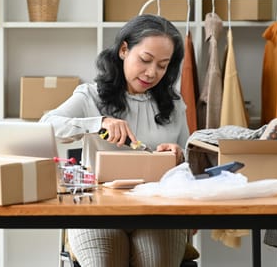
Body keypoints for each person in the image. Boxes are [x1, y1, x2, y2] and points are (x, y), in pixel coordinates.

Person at [40, 14, 189, 267]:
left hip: (158, 213)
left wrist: (179, 155)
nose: (152, 72)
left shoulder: (174, 105)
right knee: (103, 261)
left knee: (158, 261)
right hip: (96, 212)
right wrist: (98, 124)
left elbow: (192, 160)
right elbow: (46, 126)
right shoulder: (91, 96)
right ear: (123, 50)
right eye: (145, 60)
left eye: (163, 65)